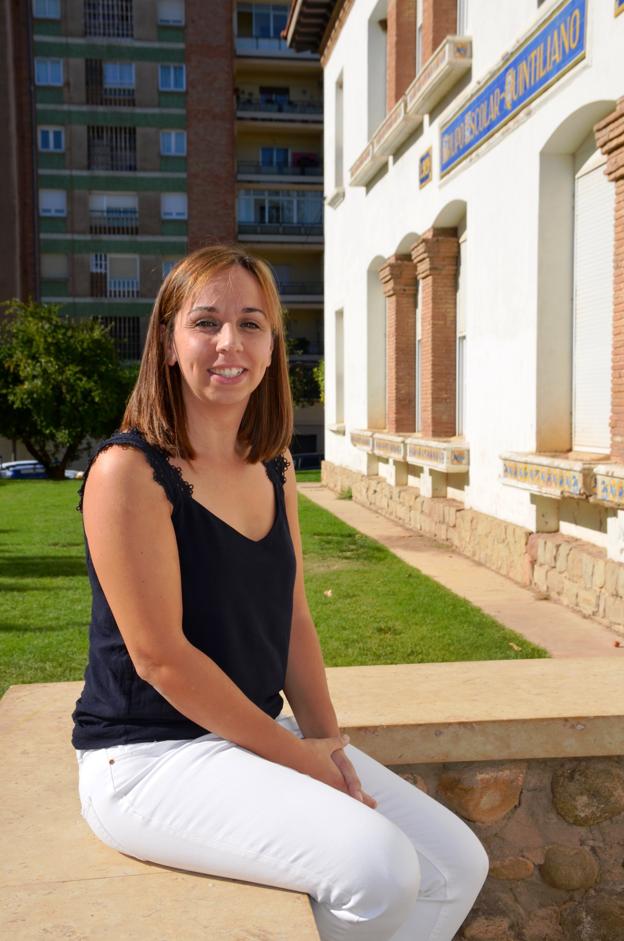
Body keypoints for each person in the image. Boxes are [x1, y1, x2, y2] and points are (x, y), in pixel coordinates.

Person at [72, 245, 488, 941]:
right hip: (147, 757)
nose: (229, 342)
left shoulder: (274, 465)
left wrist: (329, 746)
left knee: (455, 865)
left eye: (252, 323)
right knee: (379, 868)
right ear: (169, 343)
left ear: (271, 348)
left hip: (251, 736)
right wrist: (300, 760)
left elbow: (293, 617)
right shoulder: (128, 471)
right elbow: (160, 657)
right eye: (205, 322)